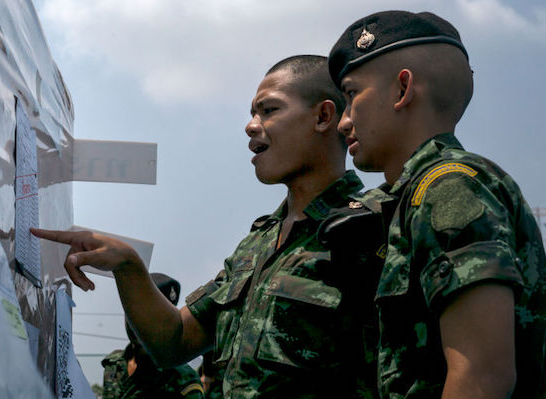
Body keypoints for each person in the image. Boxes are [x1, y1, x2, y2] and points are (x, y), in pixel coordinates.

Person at [32, 55, 384, 398]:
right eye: (252, 113)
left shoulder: (374, 228)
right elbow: (174, 343)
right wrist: (129, 266)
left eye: (270, 110)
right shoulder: (259, 243)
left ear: (323, 116)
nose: (251, 125)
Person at [327, 10, 546, 398]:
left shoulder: (447, 189)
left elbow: (481, 376)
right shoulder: (414, 197)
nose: (343, 122)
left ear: (402, 90)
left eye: (351, 96)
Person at [101, 273, 204, 399]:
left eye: (151, 317)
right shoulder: (114, 365)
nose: (139, 324)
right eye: (134, 313)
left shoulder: (182, 380)